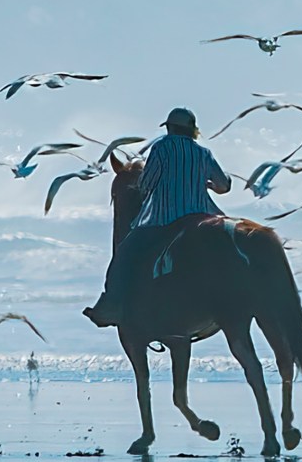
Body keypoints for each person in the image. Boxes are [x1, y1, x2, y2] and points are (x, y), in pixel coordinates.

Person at [83, 107, 233, 329]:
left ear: (170, 128)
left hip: (166, 219)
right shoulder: (203, 153)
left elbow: (146, 185)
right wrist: (206, 183)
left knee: (123, 255)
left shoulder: (161, 148)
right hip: (202, 219)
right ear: (193, 131)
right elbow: (225, 185)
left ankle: (111, 306)